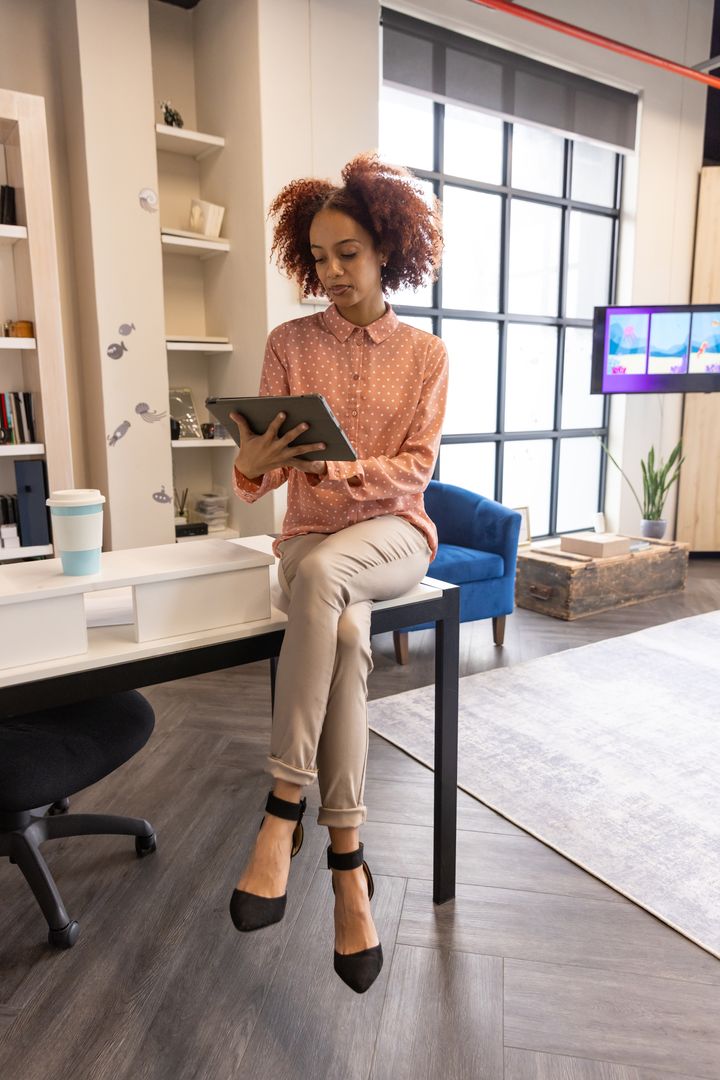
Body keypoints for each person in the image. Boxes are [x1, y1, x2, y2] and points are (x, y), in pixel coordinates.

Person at [229, 152, 447, 994]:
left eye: (348, 253)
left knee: (328, 583)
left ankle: (282, 811)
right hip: (309, 545)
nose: (332, 273)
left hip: (395, 536)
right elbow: (268, 476)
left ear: (387, 249)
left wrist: (350, 473)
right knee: (341, 621)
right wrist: (252, 463)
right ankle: (348, 863)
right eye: (318, 257)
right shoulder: (289, 345)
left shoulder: (426, 355)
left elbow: (416, 468)